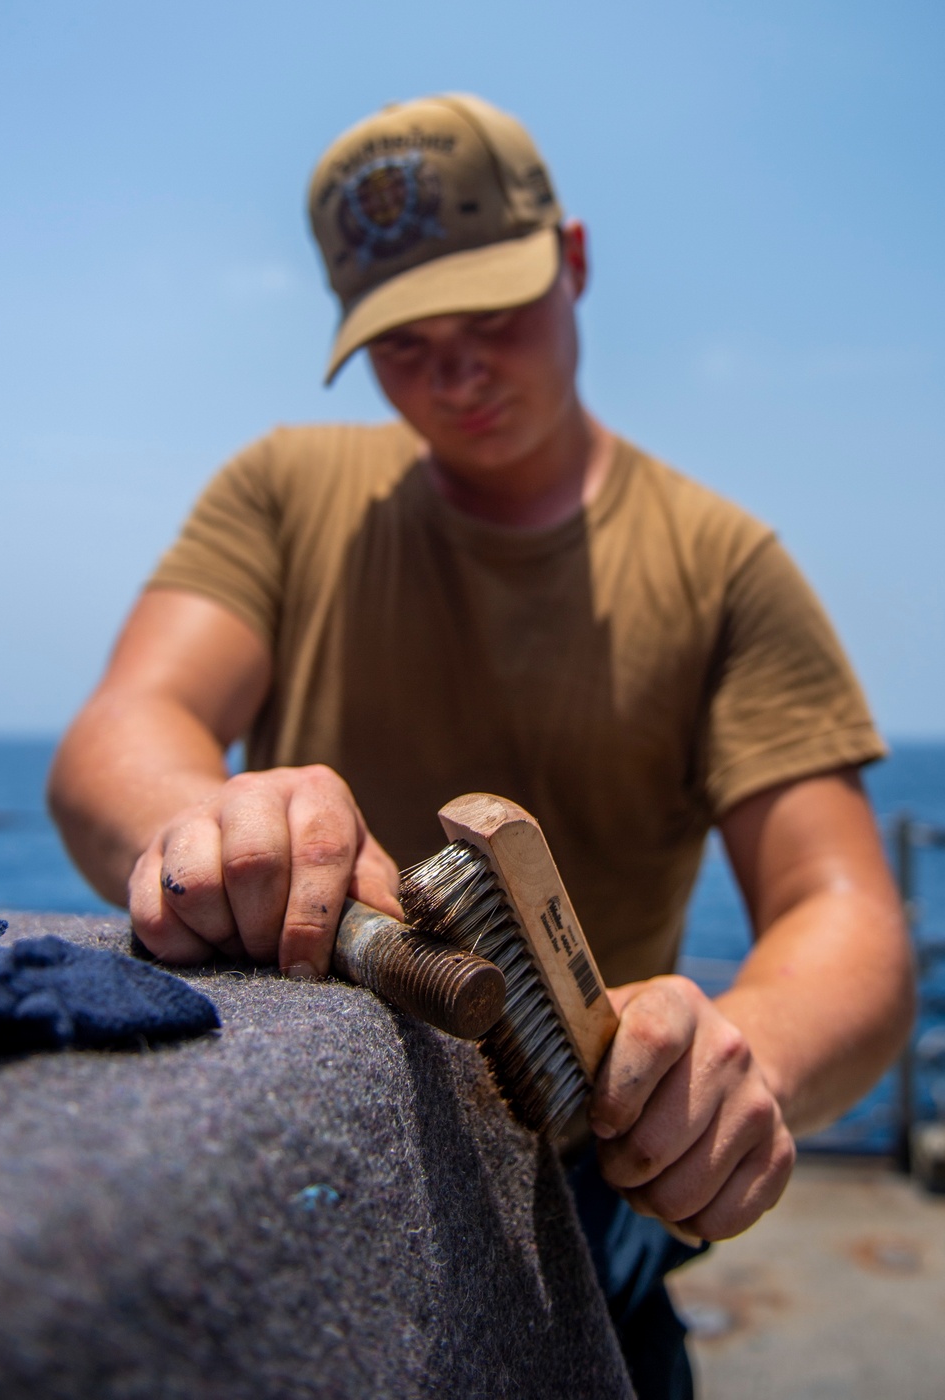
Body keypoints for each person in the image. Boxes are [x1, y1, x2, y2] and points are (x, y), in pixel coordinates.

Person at [48, 94, 914, 1397]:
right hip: (327, 1148)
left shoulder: (726, 569)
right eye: (404, 342)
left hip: (592, 1184)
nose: (454, 374)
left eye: (493, 317)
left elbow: (839, 907)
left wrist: (756, 1060)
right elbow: (124, 730)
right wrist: (213, 816)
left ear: (571, 259)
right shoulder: (281, 493)